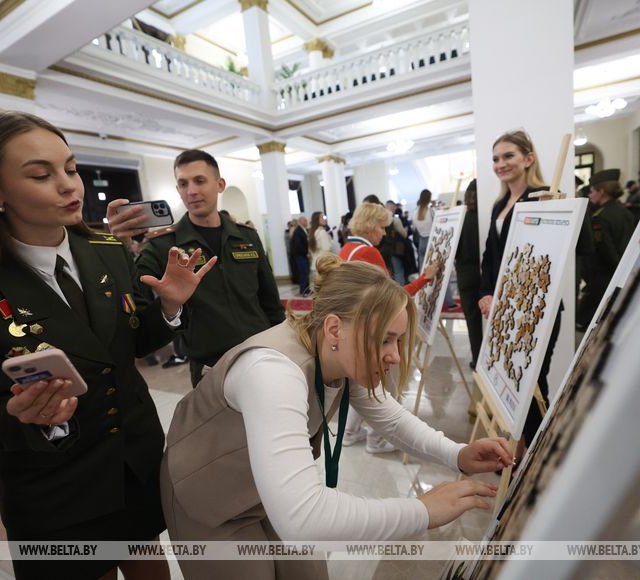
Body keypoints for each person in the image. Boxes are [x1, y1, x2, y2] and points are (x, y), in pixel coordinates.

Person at [0, 110, 216, 580]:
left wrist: (170, 306)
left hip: (134, 463)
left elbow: (132, 343)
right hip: (58, 490)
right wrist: (29, 416)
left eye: (71, 169)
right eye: (41, 175)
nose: (69, 185)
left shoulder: (106, 249)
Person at [160, 256, 513, 579]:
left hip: (267, 494)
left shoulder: (338, 351)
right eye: (385, 340)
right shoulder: (272, 373)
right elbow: (302, 518)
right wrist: (422, 511)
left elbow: (390, 418)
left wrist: (457, 454)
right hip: (208, 498)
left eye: (397, 341)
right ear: (333, 329)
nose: (394, 356)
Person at [107, 149, 286, 387]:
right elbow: (130, 290)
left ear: (220, 184)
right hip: (211, 367)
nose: (191, 191)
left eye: (199, 181)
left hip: (261, 354)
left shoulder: (246, 236)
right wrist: (118, 246)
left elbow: (270, 301)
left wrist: (282, 346)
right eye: (183, 184)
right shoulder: (164, 245)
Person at [477, 130, 561, 448]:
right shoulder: (500, 203)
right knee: (513, 381)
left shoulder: (545, 198)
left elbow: (555, 254)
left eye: (508, 156)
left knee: (533, 383)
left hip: (535, 308)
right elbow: (490, 255)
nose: (501, 163)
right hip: (505, 307)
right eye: (496, 158)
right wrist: (486, 292)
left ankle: (538, 450)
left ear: (528, 158)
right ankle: (521, 449)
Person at [339, 202, 439, 452]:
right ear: (371, 226)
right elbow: (393, 296)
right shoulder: (368, 252)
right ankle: (377, 440)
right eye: (382, 227)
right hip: (373, 329)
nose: (384, 233)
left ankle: (350, 433)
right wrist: (425, 279)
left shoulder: (347, 248)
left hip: (354, 327)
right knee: (381, 385)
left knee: (360, 383)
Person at [577, 169, 636, 328]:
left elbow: (606, 251)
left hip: (605, 275)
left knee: (589, 320)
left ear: (601, 192)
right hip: (623, 270)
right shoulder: (625, 212)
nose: (590, 195)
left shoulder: (600, 217)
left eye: (592, 191)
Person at [454, 179, 482, 369]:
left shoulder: (460, 219)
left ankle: (477, 359)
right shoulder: (485, 216)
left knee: (472, 321)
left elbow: (454, 251)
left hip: (465, 275)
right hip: (482, 274)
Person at [308, 211, 334, 280]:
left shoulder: (313, 232)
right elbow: (327, 249)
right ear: (317, 220)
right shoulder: (322, 232)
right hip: (323, 264)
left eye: (324, 217)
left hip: (315, 264)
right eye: (322, 217)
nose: (324, 219)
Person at [413, 189, 434, 269]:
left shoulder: (415, 212)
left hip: (421, 241)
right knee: (433, 264)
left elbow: (414, 228)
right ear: (429, 198)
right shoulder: (431, 211)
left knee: (422, 265)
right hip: (431, 240)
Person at [290, 215, 311, 296]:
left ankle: (307, 289)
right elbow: (298, 245)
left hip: (303, 255)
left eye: (306, 220)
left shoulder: (303, 230)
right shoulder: (298, 231)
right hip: (300, 255)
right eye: (304, 220)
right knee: (303, 272)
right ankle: (303, 290)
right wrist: (306, 252)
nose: (306, 222)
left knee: (306, 272)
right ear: (300, 222)